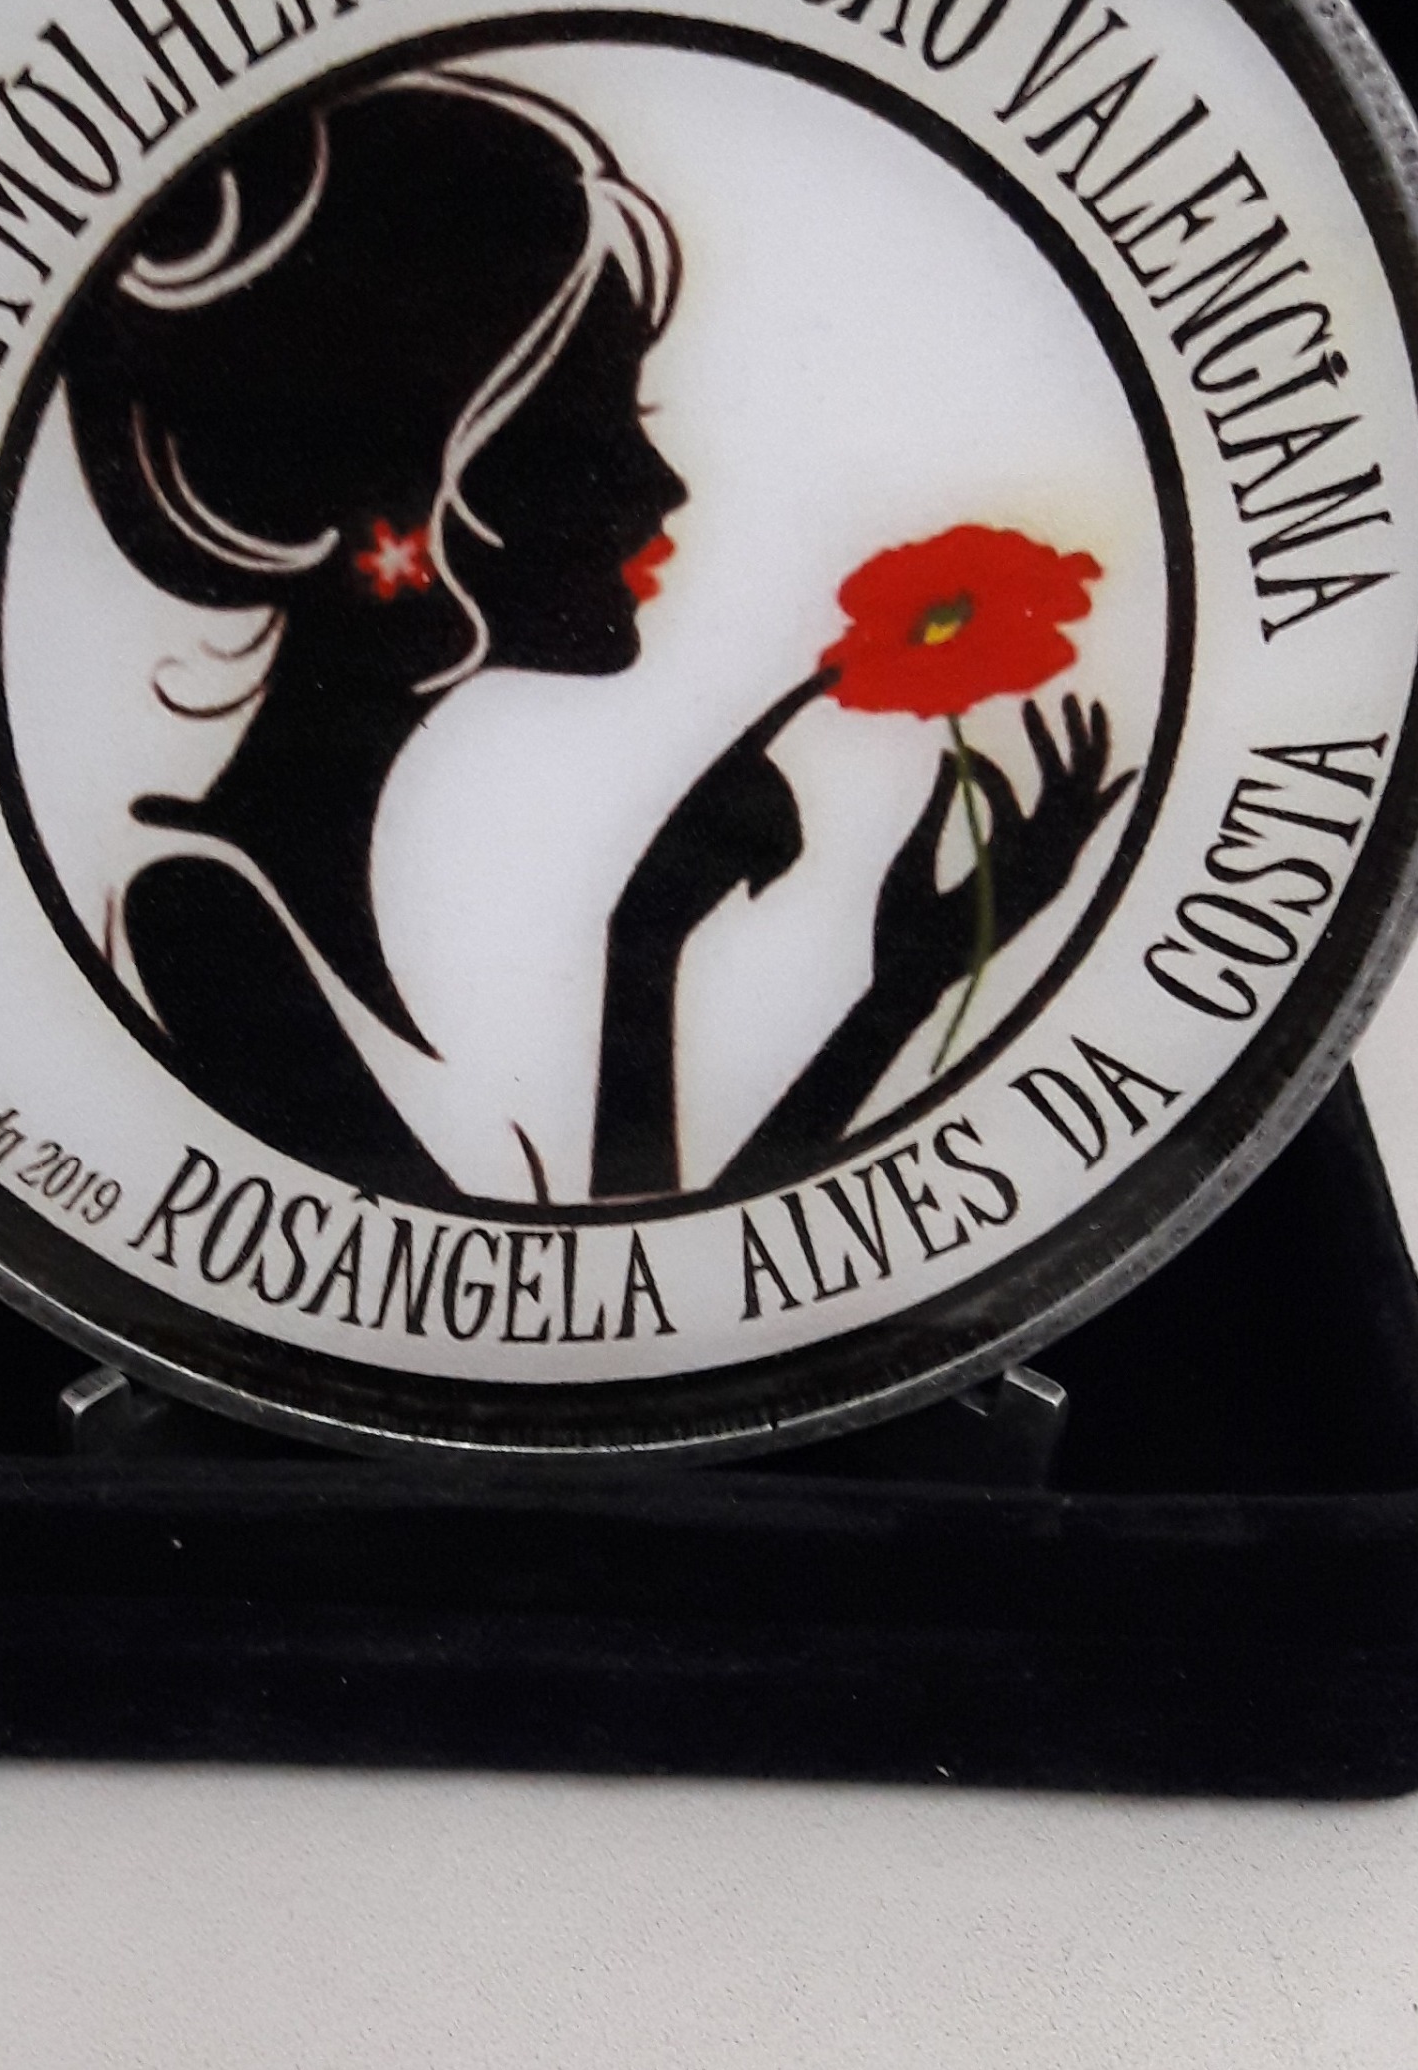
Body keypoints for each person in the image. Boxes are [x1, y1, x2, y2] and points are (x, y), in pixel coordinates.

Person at [58, 59, 1123, 1209]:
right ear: (407, 482)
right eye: (590, 428)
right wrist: (651, 944)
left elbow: (647, 1284)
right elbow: (577, 1294)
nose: (660, 485)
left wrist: (871, 984)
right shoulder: (200, 922)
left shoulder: (301, 912)